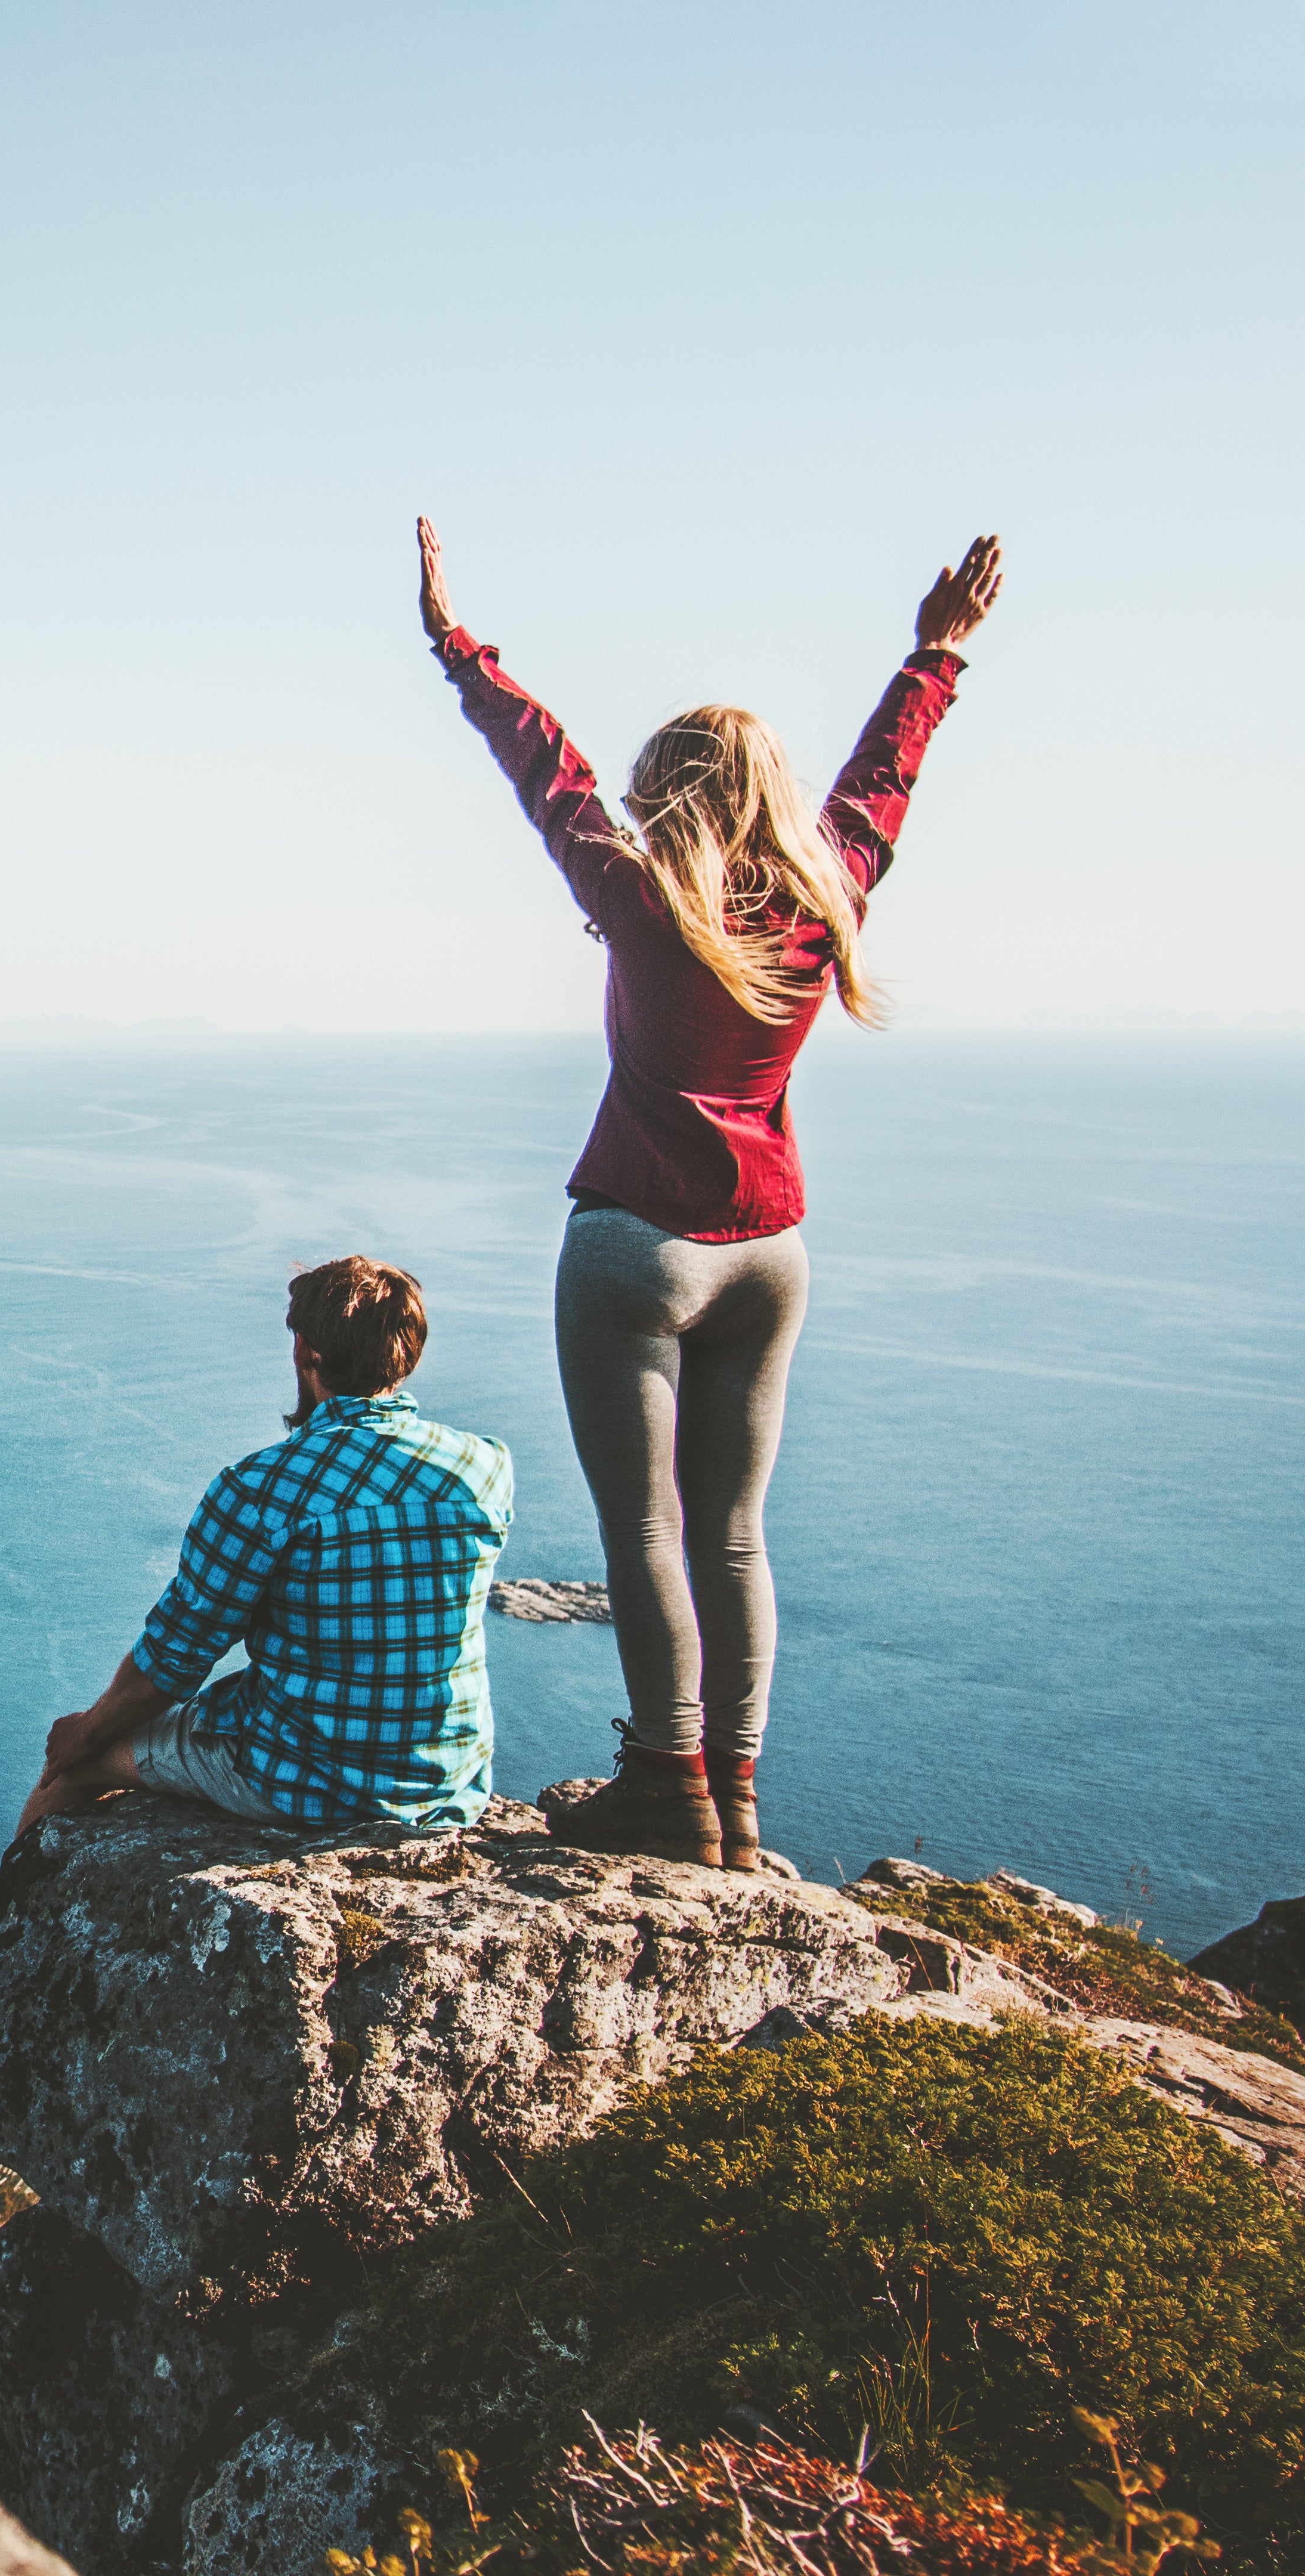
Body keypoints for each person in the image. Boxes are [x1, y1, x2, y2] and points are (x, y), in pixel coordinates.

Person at [415, 519, 1003, 1870]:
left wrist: (455, 641)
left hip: (634, 1243)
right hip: (769, 1251)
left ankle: (662, 1787)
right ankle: (733, 1799)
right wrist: (933, 651)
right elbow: (881, 780)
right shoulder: (825, 894)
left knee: (643, 1531)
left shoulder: (634, 893)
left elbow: (538, 761)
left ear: (665, 792)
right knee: (733, 1534)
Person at [0, 1257, 511, 1961]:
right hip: (445, 1779)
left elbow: (176, 1658)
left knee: (76, 1770)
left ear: (306, 1353)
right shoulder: (485, 1466)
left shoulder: (262, 1488)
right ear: (408, 1353)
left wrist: (85, 1731)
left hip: (307, 1774)